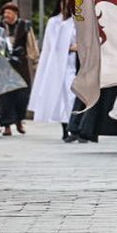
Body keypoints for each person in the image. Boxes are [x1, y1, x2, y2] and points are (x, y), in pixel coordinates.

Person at [28, 10, 78, 139]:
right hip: (60, 65)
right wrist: (70, 47)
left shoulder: (80, 20)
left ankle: (76, 129)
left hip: (77, 64)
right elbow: (52, 45)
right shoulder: (55, 22)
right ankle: (66, 129)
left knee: (73, 97)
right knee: (64, 96)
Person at [0, 2, 39, 135]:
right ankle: (6, 126)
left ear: (15, 13)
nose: (6, 15)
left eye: (9, 13)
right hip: (5, 66)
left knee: (22, 96)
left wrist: (35, 61)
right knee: (5, 97)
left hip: (21, 65)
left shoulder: (24, 26)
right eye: (5, 13)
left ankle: (19, 122)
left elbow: (31, 44)